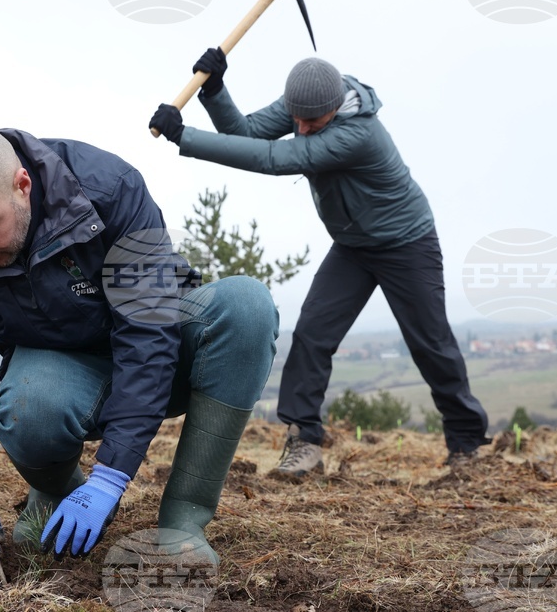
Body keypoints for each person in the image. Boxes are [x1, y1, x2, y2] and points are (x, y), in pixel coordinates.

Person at [0, 123, 279, 562]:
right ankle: (57, 490)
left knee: (247, 307)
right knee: (31, 405)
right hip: (62, 376)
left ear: (21, 185)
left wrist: (110, 479)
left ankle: (183, 522)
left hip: (161, 354)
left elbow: (148, 333)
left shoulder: (107, 191)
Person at [149, 49, 491, 481]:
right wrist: (215, 91)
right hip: (352, 246)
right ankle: (305, 441)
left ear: (334, 108)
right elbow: (250, 134)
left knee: (430, 343)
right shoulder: (305, 104)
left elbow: (275, 159)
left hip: (407, 243)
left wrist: (186, 137)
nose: (303, 129)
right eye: (298, 120)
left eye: (314, 123)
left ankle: (466, 443)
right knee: (311, 335)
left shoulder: (360, 134)